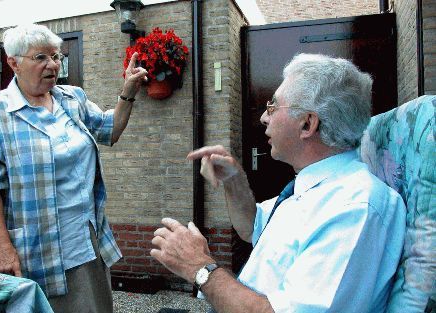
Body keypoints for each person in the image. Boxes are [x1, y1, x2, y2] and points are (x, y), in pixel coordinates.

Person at [150, 53, 407, 313]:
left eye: (272, 106)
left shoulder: (354, 208)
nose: (264, 117)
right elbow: (253, 228)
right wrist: (234, 181)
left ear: (307, 124)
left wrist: (199, 268)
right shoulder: (315, 187)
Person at [0, 23, 147, 312]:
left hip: (86, 240)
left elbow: (109, 130)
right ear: (14, 63)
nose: (53, 65)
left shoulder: (72, 98)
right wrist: (3, 248)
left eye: (56, 56)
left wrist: (128, 91)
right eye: (41, 58)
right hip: (36, 248)